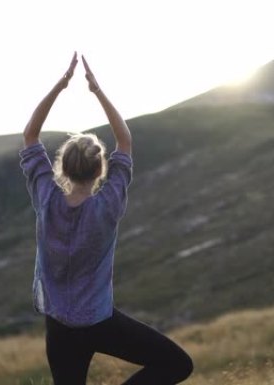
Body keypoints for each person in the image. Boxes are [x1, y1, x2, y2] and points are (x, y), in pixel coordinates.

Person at [19, 52, 194, 385]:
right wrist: (97, 91)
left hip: (59, 330)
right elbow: (125, 141)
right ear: (101, 170)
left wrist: (61, 84)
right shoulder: (108, 206)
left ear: (62, 167)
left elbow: (30, 135)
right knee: (176, 364)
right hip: (100, 322)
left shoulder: (45, 200)